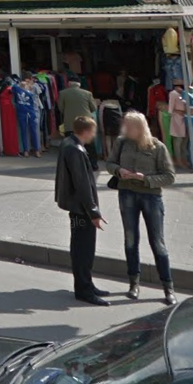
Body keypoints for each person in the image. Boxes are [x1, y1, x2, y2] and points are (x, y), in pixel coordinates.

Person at [108, 109, 176, 304]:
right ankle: (133, 284)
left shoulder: (157, 146)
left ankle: (168, 287)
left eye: (129, 127)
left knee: (158, 243)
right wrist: (119, 171)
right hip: (127, 194)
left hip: (151, 197)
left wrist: (145, 179)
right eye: (125, 126)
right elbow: (110, 164)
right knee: (130, 239)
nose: (125, 129)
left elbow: (169, 176)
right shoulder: (121, 143)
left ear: (139, 128)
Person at [55, 113, 108, 305]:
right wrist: (93, 212)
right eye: (93, 131)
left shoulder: (68, 143)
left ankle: (86, 284)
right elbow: (83, 184)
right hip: (82, 209)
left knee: (79, 247)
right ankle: (84, 289)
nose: (94, 135)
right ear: (86, 131)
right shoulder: (76, 150)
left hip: (76, 206)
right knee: (84, 249)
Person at [13, 72, 44, 157]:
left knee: (32, 130)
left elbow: (39, 92)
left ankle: (35, 149)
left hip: (29, 110)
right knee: (26, 130)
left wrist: (30, 86)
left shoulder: (34, 86)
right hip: (27, 110)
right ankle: (27, 150)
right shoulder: (17, 87)